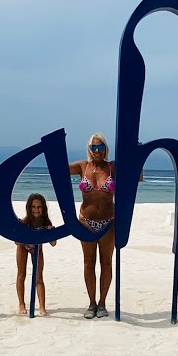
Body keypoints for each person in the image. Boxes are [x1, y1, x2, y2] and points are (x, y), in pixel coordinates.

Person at [68, 133, 115, 319]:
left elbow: (136, 172)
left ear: (105, 148)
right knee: (88, 263)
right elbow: (58, 168)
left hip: (108, 222)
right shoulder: (82, 166)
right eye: (94, 147)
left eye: (100, 147)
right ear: (89, 149)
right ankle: (91, 303)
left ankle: (102, 303)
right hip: (86, 222)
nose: (97, 151)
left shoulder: (112, 167)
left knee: (106, 263)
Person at [15, 193, 57, 315]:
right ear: (29, 208)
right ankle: (21, 304)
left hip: (37, 248)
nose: (36, 209)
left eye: (39, 207)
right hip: (23, 246)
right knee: (21, 275)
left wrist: (51, 231)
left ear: (43, 208)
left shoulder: (46, 222)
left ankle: (42, 307)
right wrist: (20, 232)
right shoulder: (25, 221)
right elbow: (17, 242)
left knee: (39, 277)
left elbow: (53, 243)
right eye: (33, 207)